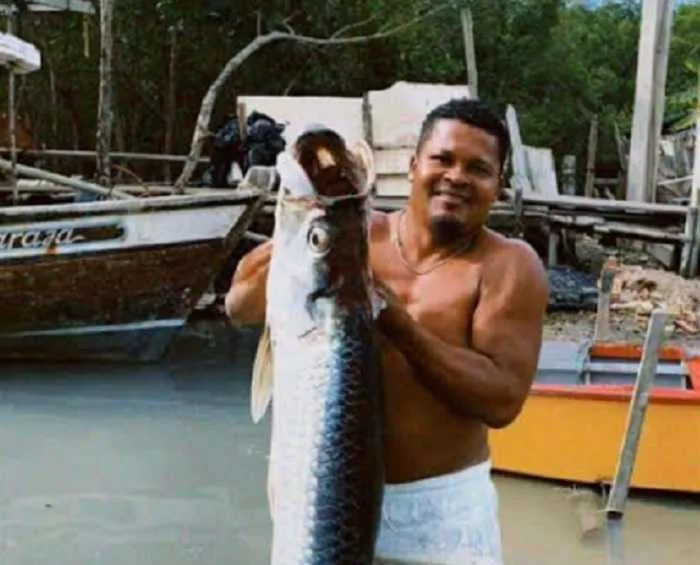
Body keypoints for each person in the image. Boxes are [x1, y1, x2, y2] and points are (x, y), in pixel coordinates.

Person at [225, 97, 549, 565]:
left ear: (498, 185)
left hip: (439, 514)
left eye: (478, 168)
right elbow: (240, 306)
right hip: (317, 491)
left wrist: (392, 319)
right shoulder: (357, 236)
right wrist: (305, 231)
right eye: (442, 159)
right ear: (414, 165)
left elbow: (501, 400)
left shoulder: (507, 265)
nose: (456, 176)